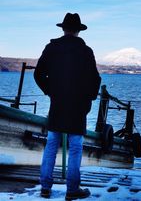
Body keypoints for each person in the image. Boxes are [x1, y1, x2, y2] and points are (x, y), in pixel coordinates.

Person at [34, 13, 101, 200]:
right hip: (78, 106)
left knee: (51, 144)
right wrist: (88, 99)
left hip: (57, 104)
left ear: (63, 29)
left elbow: (38, 74)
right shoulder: (86, 51)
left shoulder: (51, 48)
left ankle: (45, 188)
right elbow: (95, 80)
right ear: (79, 30)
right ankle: (72, 190)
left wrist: (51, 91)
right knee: (76, 147)